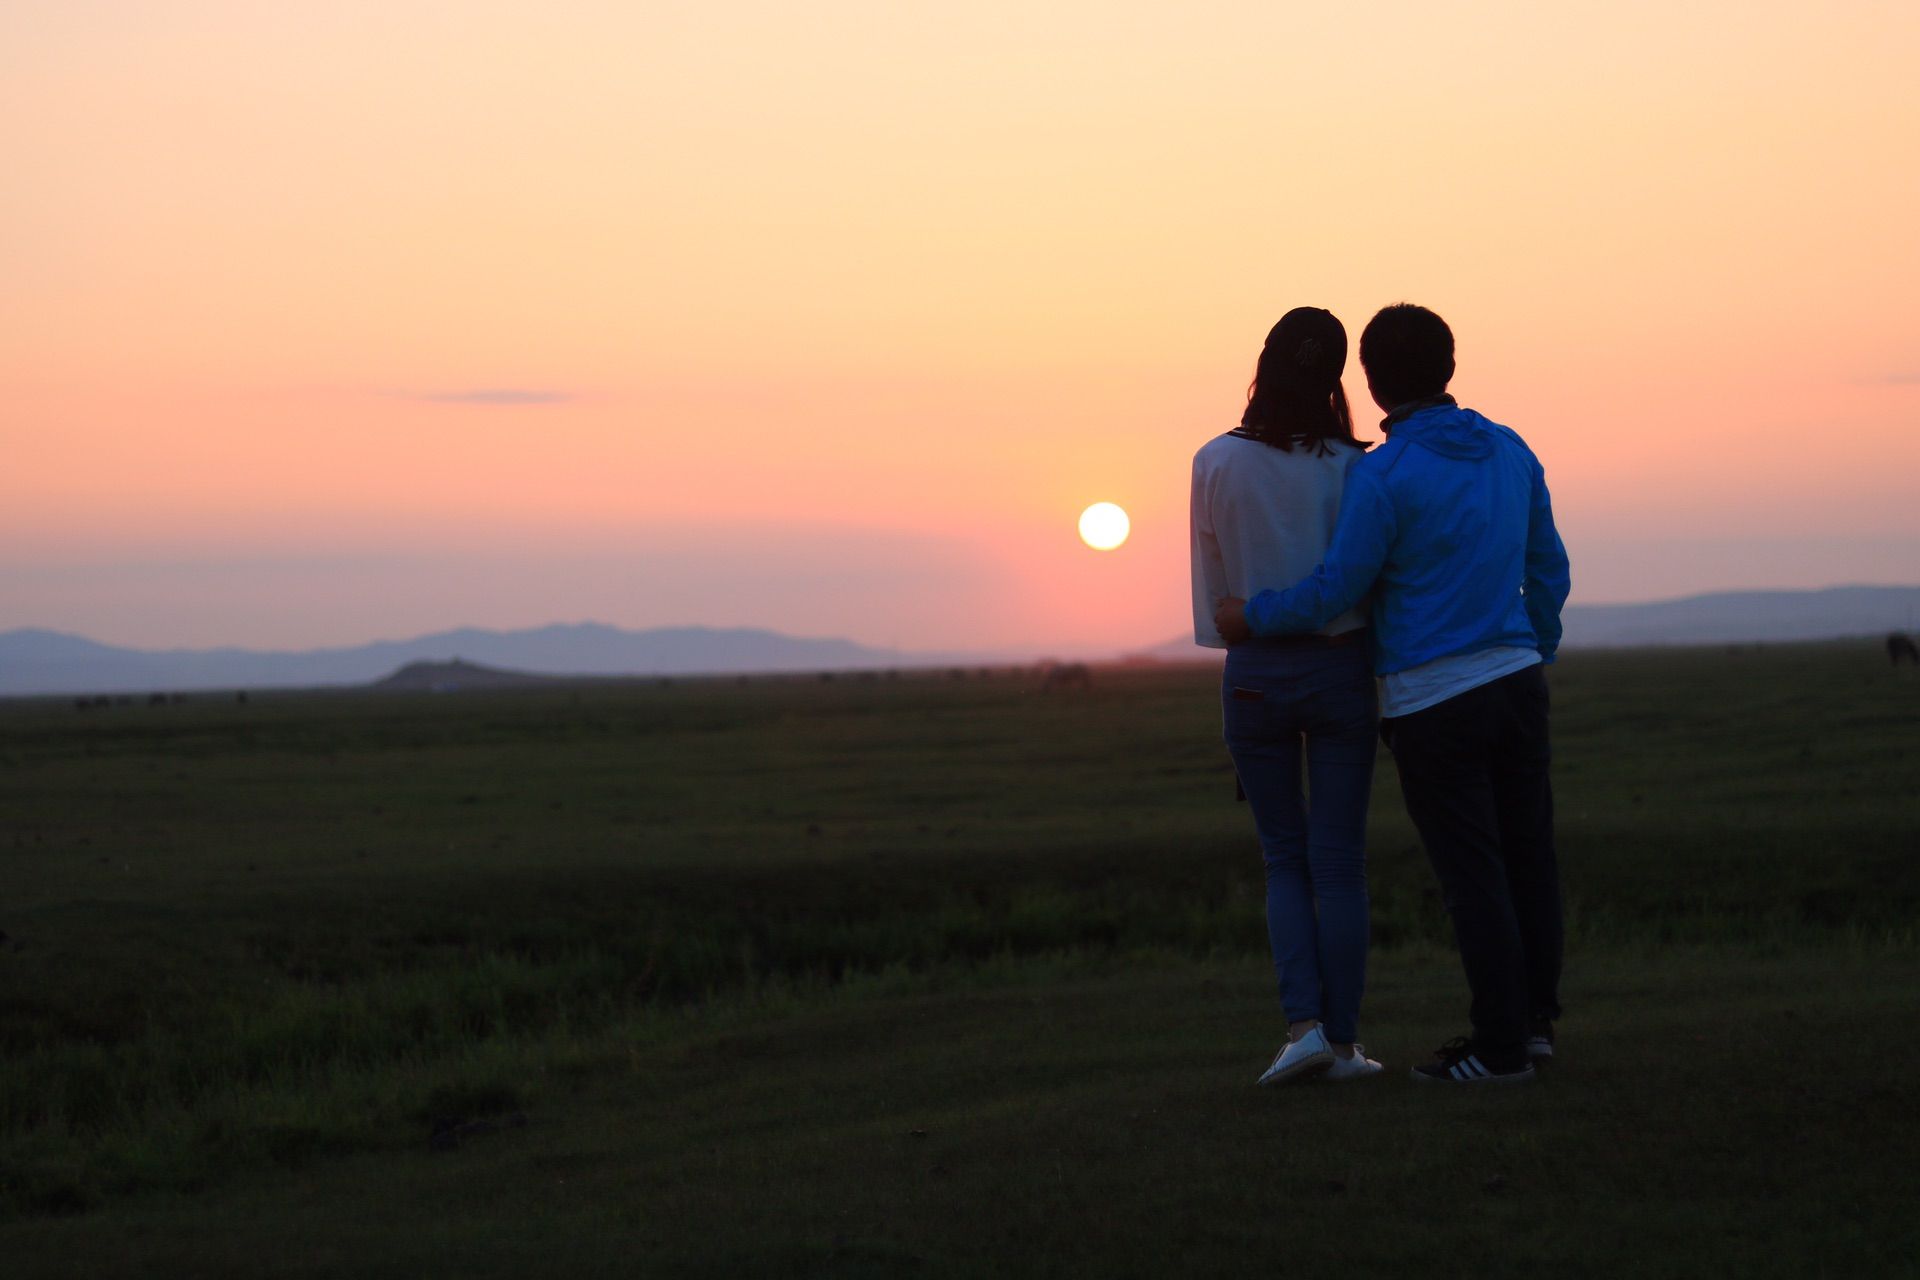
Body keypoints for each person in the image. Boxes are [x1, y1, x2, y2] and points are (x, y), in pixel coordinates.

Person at [1215, 303, 1571, 1085]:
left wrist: (1254, 615)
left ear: (1372, 381)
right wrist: (1531, 646)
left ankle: (1499, 1050)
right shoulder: (1511, 450)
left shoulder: (1383, 474)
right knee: (1529, 860)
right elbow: (1549, 569)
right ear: (1449, 365)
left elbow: (1341, 586)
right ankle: (1534, 1028)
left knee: (1472, 873)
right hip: (1516, 682)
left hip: (1434, 700)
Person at [1191, 307, 1383, 1086]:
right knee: (1338, 862)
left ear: (1263, 364)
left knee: (1283, 859)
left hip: (1257, 674)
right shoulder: (1356, 465)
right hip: (1342, 669)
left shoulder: (1214, 460)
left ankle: (1301, 1026)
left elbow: (1216, 603)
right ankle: (1342, 1045)